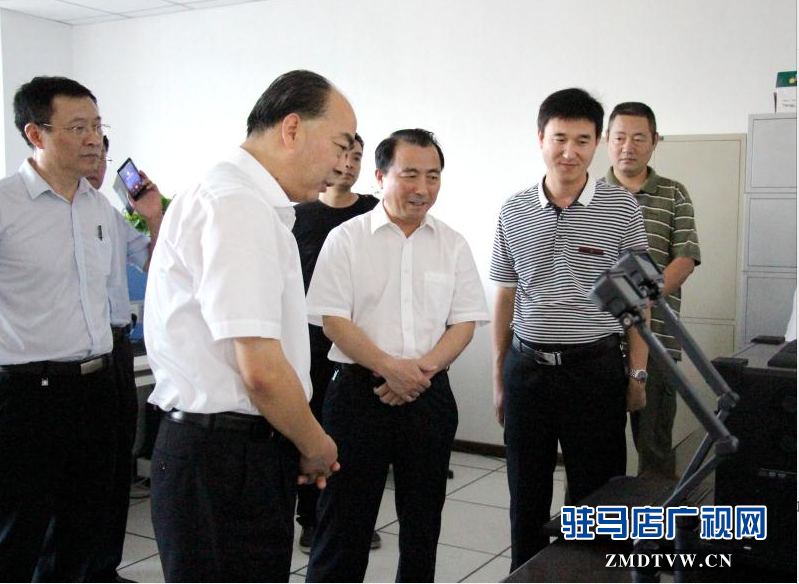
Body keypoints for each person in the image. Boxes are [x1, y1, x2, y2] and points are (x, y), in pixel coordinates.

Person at [144, 69, 354, 582]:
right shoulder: (237, 204)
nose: (342, 165)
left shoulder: (242, 199)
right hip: (223, 458)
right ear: (291, 129)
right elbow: (259, 368)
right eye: (340, 145)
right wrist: (316, 444)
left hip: (233, 448)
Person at [305, 129, 490, 582]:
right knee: (343, 524)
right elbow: (333, 320)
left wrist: (419, 374)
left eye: (433, 176)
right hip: (357, 396)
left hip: (429, 396)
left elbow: (464, 322)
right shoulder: (347, 239)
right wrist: (390, 368)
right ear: (380, 176)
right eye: (410, 175)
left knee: (423, 523)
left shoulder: (452, 243)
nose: (423, 188)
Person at [490, 88, 650, 571]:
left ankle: (590, 578)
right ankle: (527, 575)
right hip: (527, 370)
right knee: (526, 492)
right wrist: (499, 376)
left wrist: (637, 374)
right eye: (559, 138)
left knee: (597, 498)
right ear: (540, 138)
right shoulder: (513, 209)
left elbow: (638, 301)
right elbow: (505, 296)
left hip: (594, 369)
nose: (569, 151)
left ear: (597, 143)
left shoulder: (622, 209)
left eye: (582, 140)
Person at [0, 75, 121, 582]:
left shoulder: (100, 207)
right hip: (26, 395)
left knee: (84, 527)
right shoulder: (5, 205)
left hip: (96, 387)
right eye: (77, 128)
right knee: (19, 529)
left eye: (97, 126)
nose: (93, 139)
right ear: (36, 134)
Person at [291, 133, 382, 553]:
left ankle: (352, 516)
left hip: (357, 340)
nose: (348, 164)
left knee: (356, 433)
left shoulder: (373, 211)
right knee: (311, 426)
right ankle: (310, 519)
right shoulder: (299, 214)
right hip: (309, 340)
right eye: (342, 154)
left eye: (356, 157)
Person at [603, 102, 701, 477]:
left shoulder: (674, 193)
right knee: (593, 448)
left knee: (655, 447)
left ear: (655, 141)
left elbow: (685, 258)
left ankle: (655, 516)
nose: (628, 146)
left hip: (658, 340)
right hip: (599, 344)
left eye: (638, 138)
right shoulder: (590, 195)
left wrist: (638, 299)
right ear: (606, 141)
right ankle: (595, 516)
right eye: (619, 137)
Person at [85, 135, 164, 581]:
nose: (97, 164)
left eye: (103, 156)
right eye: (89, 151)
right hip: (52, 364)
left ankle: (103, 569)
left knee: (115, 466)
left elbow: (157, 262)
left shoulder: (108, 213)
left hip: (113, 350)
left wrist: (153, 216)